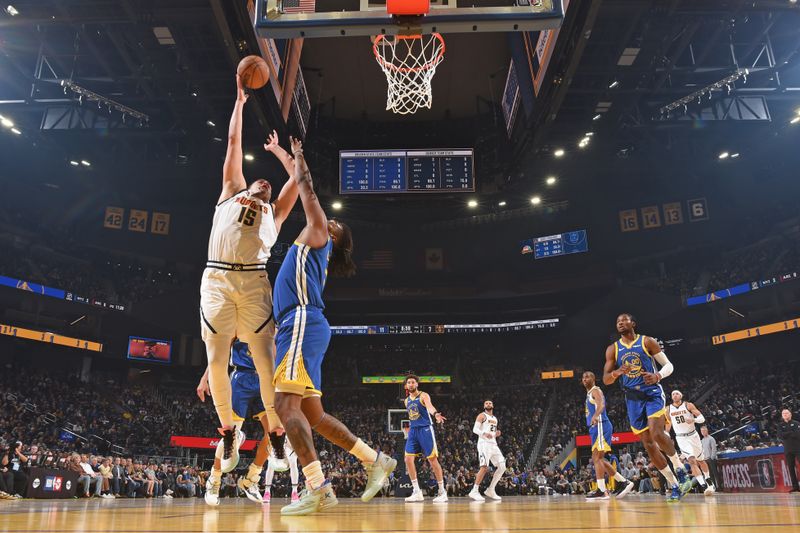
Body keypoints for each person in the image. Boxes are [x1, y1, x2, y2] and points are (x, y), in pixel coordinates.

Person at [272, 136, 396, 516]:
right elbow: (299, 183)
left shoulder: (319, 235)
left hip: (301, 321)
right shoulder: (315, 244)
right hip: (304, 324)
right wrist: (281, 154)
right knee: (313, 416)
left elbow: (305, 185)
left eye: (335, 223)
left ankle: (317, 486)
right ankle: (374, 459)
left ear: (334, 236)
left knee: (283, 405)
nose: (331, 220)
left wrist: (297, 155)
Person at [200, 74, 299, 470]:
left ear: (270, 195)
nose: (263, 182)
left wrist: (280, 153)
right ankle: (228, 432)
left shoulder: (274, 214)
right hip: (218, 280)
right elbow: (234, 145)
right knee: (216, 358)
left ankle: (275, 433)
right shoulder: (230, 192)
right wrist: (239, 104)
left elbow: (298, 179)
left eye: (267, 183)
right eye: (258, 179)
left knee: (265, 364)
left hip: (255, 282)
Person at [603, 313, 692, 502]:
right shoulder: (613, 349)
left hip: (651, 393)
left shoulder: (647, 341)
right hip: (632, 398)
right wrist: (618, 372)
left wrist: (658, 376)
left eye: (624, 320)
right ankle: (674, 485)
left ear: (633, 323)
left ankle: (679, 468)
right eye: (617, 321)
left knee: (657, 433)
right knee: (648, 444)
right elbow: (605, 379)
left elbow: (669, 365)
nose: (620, 323)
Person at [196, 340, 280, 506]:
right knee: (231, 433)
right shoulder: (237, 320)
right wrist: (205, 378)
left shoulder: (271, 323)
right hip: (241, 378)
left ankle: (251, 479)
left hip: (265, 378)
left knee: (273, 432)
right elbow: (219, 351)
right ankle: (214, 480)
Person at [581, 371, 634, 500]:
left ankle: (602, 490)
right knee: (598, 458)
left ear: (593, 379)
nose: (584, 379)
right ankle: (623, 481)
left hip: (601, 425)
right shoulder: (589, 393)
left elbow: (601, 405)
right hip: (595, 428)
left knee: (597, 458)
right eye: (583, 377)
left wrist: (595, 415)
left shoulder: (596, 390)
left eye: (587, 376)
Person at [402, 374, 448, 503]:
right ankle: (417, 492)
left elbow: (429, 406)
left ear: (417, 384)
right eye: (409, 382)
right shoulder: (406, 401)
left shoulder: (423, 395)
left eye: (413, 382)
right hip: (413, 431)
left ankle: (442, 491)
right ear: (406, 386)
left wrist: (436, 414)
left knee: (432, 460)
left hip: (425, 429)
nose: (411, 384)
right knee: (408, 459)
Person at [667, 391, 715, 495]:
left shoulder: (688, 405)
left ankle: (708, 479)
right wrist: (666, 434)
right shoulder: (668, 409)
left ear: (681, 395)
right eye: (673, 394)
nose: (675, 395)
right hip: (681, 438)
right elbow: (668, 424)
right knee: (692, 461)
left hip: (693, 435)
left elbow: (702, 418)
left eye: (677, 394)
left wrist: (693, 420)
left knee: (701, 460)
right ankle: (703, 484)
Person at [468, 400, 506, 502]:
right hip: (484, 444)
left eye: (490, 403)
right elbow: (475, 429)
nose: (488, 404)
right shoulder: (482, 415)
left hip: (493, 444)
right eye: (486, 403)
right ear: (484, 406)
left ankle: (491, 489)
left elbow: (491, 432)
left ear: (493, 405)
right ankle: (474, 491)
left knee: (502, 466)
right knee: (484, 467)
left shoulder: (495, 418)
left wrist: (496, 434)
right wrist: (484, 434)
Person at [263, 436, 300, 504]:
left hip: (287, 461)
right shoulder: (273, 431)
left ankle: (294, 492)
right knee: (270, 463)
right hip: (275, 461)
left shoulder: (289, 432)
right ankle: (267, 492)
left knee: (294, 460)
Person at [779, 408, 800, 493]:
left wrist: (786, 433)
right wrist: (791, 432)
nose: (785, 415)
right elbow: (780, 435)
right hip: (788, 449)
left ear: (790, 414)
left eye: (786, 413)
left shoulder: (796, 423)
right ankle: (795, 487)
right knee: (791, 468)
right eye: (783, 414)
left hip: (798, 448)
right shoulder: (780, 425)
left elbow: (798, 434)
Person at [700, 426, 718, 490]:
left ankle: (719, 487)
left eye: (704, 430)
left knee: (715, 473)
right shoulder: (702, 440)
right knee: (710, 475)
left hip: (711, 459)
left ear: (707, 431)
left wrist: (712, 458)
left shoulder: (711, 439)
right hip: (705, 459)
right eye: (702, 431)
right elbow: (702, 450)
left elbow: (714, 449)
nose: (703, 432)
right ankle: (714, 487)